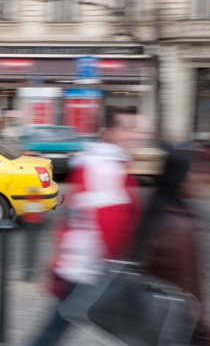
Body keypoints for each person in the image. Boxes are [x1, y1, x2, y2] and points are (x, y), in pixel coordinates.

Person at [30, 106, 142, 346]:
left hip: (84, 269)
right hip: (90, 272)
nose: (135, 135)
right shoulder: (105, 168)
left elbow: (70, 217)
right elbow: (110, 226)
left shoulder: (102, 164)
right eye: (128, 128)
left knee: (54, 330)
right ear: (108, 132)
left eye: (136, 128)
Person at [131, 146, 210, 345]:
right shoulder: (179, 226)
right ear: (181, 177)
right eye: (197, 170)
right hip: (176, 330)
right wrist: (202, 334)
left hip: (150, 324)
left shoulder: (156, 210)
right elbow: (189, 289)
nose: (203, 176)